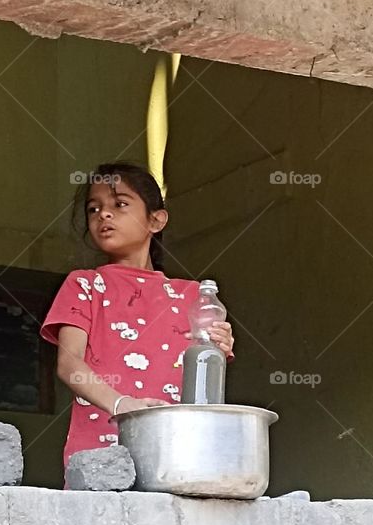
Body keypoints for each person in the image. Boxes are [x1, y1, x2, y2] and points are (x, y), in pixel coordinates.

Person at [40, 162, 235, 472]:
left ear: (156, 220)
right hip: (99, 457)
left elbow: (204, 377)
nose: (103, 214)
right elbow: (69, 364)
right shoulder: (86, 284)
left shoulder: (193, 295)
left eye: (119, 204)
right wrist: (121, 404)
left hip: (179, 454)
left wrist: (218, 348)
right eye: (94, 209)